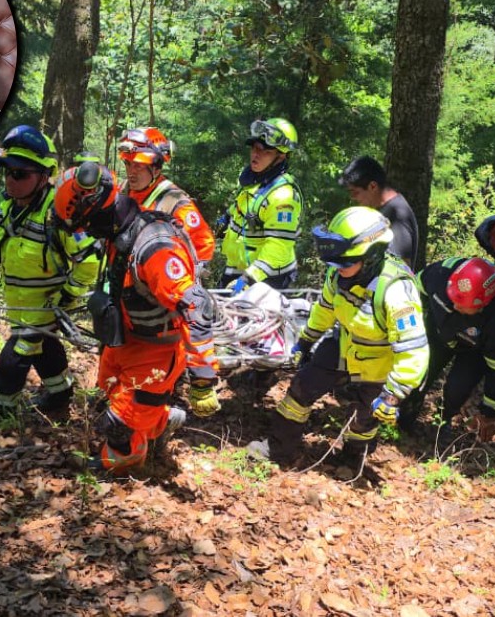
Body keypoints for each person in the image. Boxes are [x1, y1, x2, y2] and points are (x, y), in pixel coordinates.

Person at [52, 162, 221, 471]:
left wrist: (203, 377)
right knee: (107, 399)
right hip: (126, 341)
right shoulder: (121, 231)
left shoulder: (153, 247)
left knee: (117, 428)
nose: (86, 232)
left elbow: (198, 306)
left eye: (85, 224)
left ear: (96, 209)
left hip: (155, 352)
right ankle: (160, 419)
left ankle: (121, 468)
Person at [247, 207, 429, 467]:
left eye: (345, 262)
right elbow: (325, 308)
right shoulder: (338, 273)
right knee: (301, 389)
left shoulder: (396, 289)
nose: (337, 268)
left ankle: (352, 460)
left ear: (372, 255)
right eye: (334, 262)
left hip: (378, 365)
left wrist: (394, 393)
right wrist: (306, 340)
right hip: (343, 345)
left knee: (365, 420)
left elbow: (414, 349)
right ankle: (278, 450)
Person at [0, 125, 99, 426]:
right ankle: (60, 394)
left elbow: (89, 261)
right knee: (45, 347)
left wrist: (67, 297)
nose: (11, 179)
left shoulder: (59, 210)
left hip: (48, 303)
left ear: (44, 176)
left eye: (20, 174)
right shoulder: (1, 202)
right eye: (7, 172)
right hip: (18, 300)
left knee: (17, 353)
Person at [396, 257, 495, 442]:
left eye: (463, 305)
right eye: (453, 298)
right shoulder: (439, 274)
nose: (454, 305)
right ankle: (404, 418)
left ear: (484, 304)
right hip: (438, 331)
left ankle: (444, 418)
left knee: (458, 388)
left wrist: (489, 412)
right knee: (420, 373)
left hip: (475, 350)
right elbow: (411, 295)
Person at [220, 118, 302, 292]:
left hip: (268, 276)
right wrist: (225, 219)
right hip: (238, 267)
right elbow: (243, 210)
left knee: (252, 318)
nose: (255, 154)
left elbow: (278, 247)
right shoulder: (256, 181)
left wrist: (249, 278)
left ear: (281, 157)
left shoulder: (283, 197)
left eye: (264, 151)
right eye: (254, 148)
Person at [117, 126, 214, 267]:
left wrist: (181, 276)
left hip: (157, 283)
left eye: (138, 166)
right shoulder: (121, 191)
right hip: (120, 280)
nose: (131, 172)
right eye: (128, 163)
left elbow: (203, 244)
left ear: (156, 169)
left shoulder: (175, 202)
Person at [338, 155, 419, 269]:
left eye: (355, 192)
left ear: (372, 186)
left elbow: (402, 267)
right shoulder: (379, 211)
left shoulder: (397, 215)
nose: (353, 198)